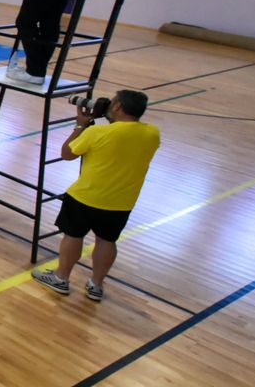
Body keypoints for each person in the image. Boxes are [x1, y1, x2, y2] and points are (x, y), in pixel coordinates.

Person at [32, 90, 161, 301]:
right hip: (121, 203)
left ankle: (61, 278)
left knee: (73, 236)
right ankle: (96, 285)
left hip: (85, 197)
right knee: (107, 241)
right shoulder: (152, 133)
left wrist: (81, 125)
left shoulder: (97, 133)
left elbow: (67, 154)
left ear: (118, 107)